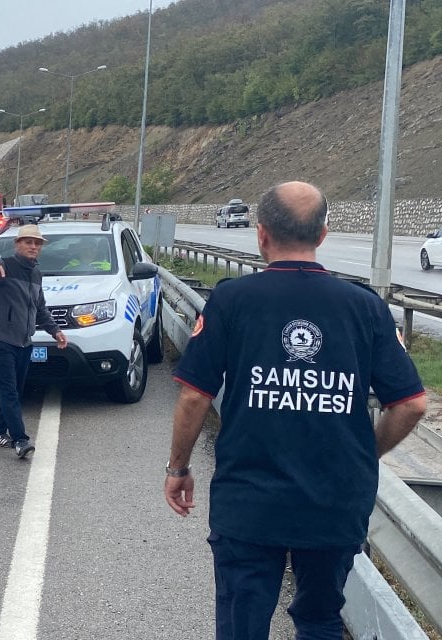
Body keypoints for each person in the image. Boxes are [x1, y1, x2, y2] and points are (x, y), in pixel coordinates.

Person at [163, 181, 427, 639]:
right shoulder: (365, 308)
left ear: (261, 235)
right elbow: (412, 404)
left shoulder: (232, 301)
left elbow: (193, 396)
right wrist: (364, 453)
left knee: (242, 623)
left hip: (250, 501)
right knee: (321, 621)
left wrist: (178, 468)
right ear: (322, 235)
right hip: (335, 500)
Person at [0, 224, 68, 459]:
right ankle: (20, 440)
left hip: (24, 341)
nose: (33, 246)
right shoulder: (4, 265)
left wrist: (55, 331)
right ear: (17, 245)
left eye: (37, 243)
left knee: (13, 391)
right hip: (0, 339)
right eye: (28, 242)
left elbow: (40, 307)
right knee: (9, 392)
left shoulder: (35, 273)